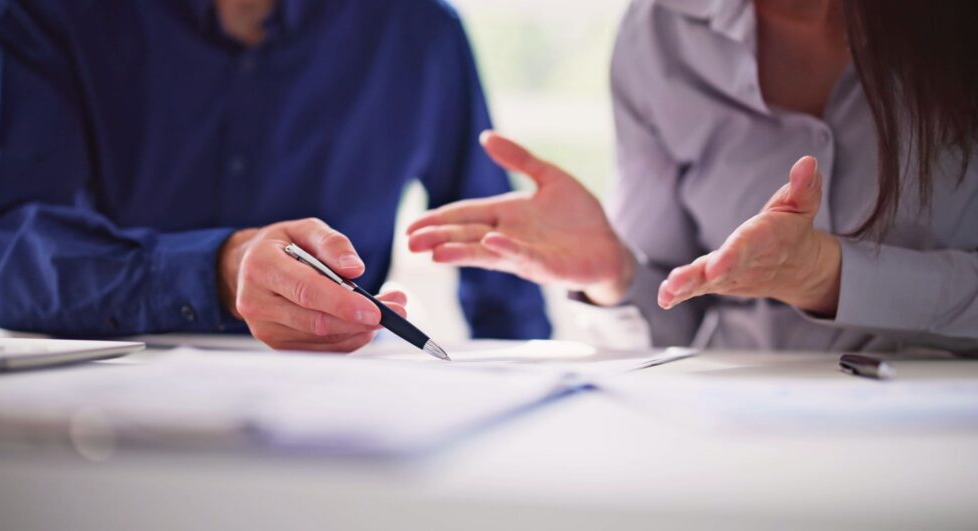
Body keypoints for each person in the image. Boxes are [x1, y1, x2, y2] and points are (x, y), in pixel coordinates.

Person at [0, 0, 552, 351]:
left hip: (340, 431)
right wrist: (214, 270)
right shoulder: (48, 12)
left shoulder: (419, 31)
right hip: (93, 428)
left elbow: (499, 273)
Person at [408, 0, 978, 352]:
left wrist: (828, 277)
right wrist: (615, 273)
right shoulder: (658, 29)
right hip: (728, 432)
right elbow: (677, 320)